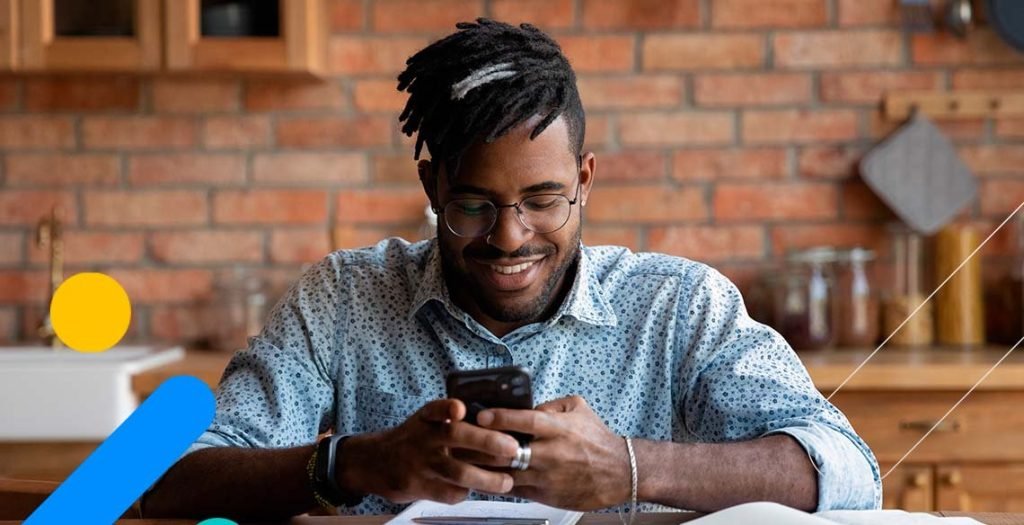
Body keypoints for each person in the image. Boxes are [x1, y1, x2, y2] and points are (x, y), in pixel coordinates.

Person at [143, 19, 881, 521]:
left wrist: (629, 466)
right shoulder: (344, 296)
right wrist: (359, 462)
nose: (509, 238)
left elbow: (849, 470)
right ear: (432, 187)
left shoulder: (678, 306)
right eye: (473, 204)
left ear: (585, 180)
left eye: (542, 199)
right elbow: (168, 478)